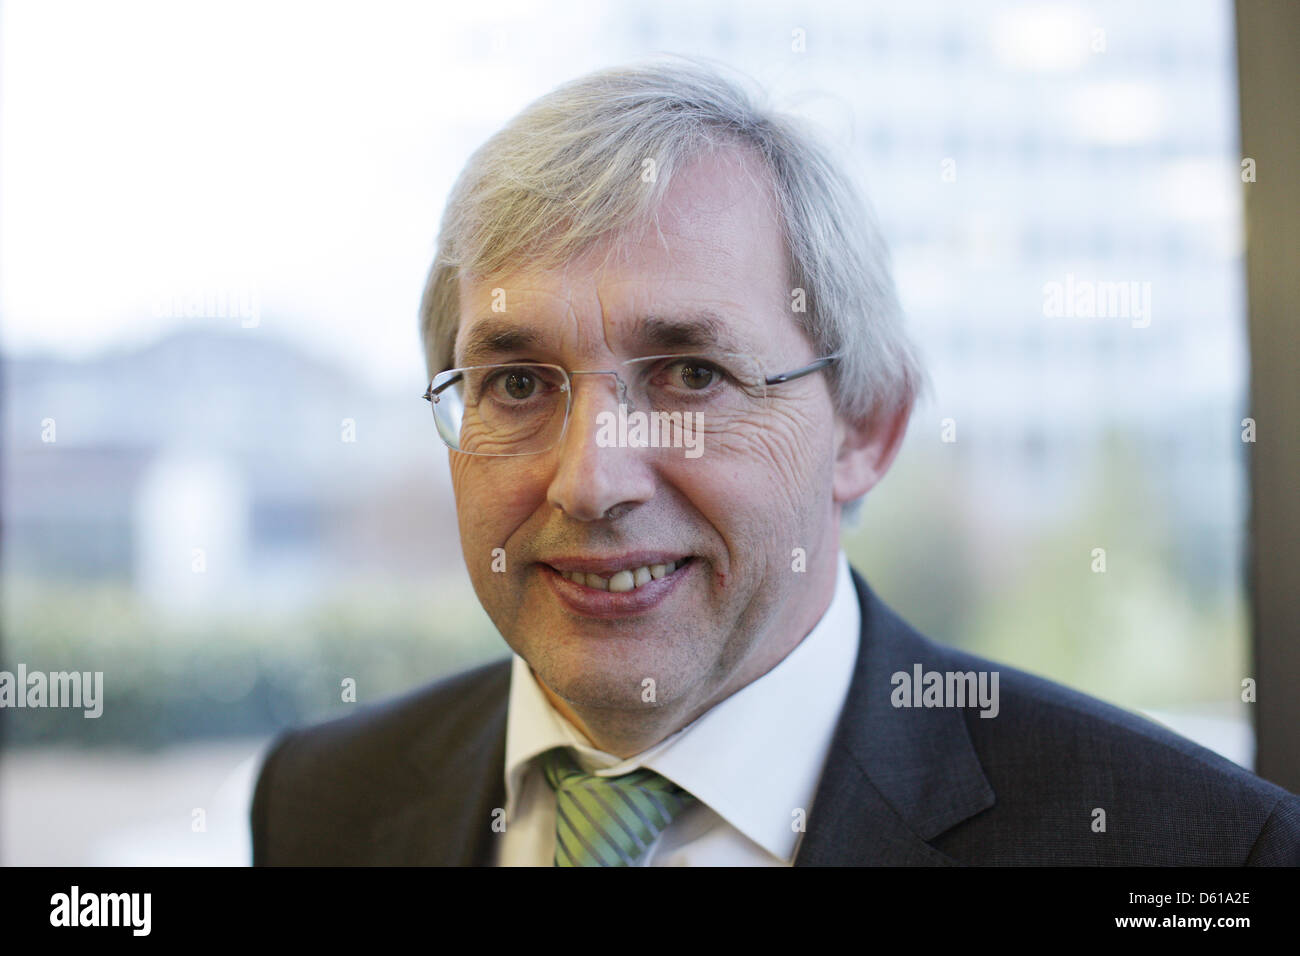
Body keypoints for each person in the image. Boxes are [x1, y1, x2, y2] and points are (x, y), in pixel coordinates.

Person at [251, 57, 1299, 866]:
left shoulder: (1191, 848)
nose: (590, 479)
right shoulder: (322, 801)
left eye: (690, 375)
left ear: (865, 428)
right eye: (518, 384)